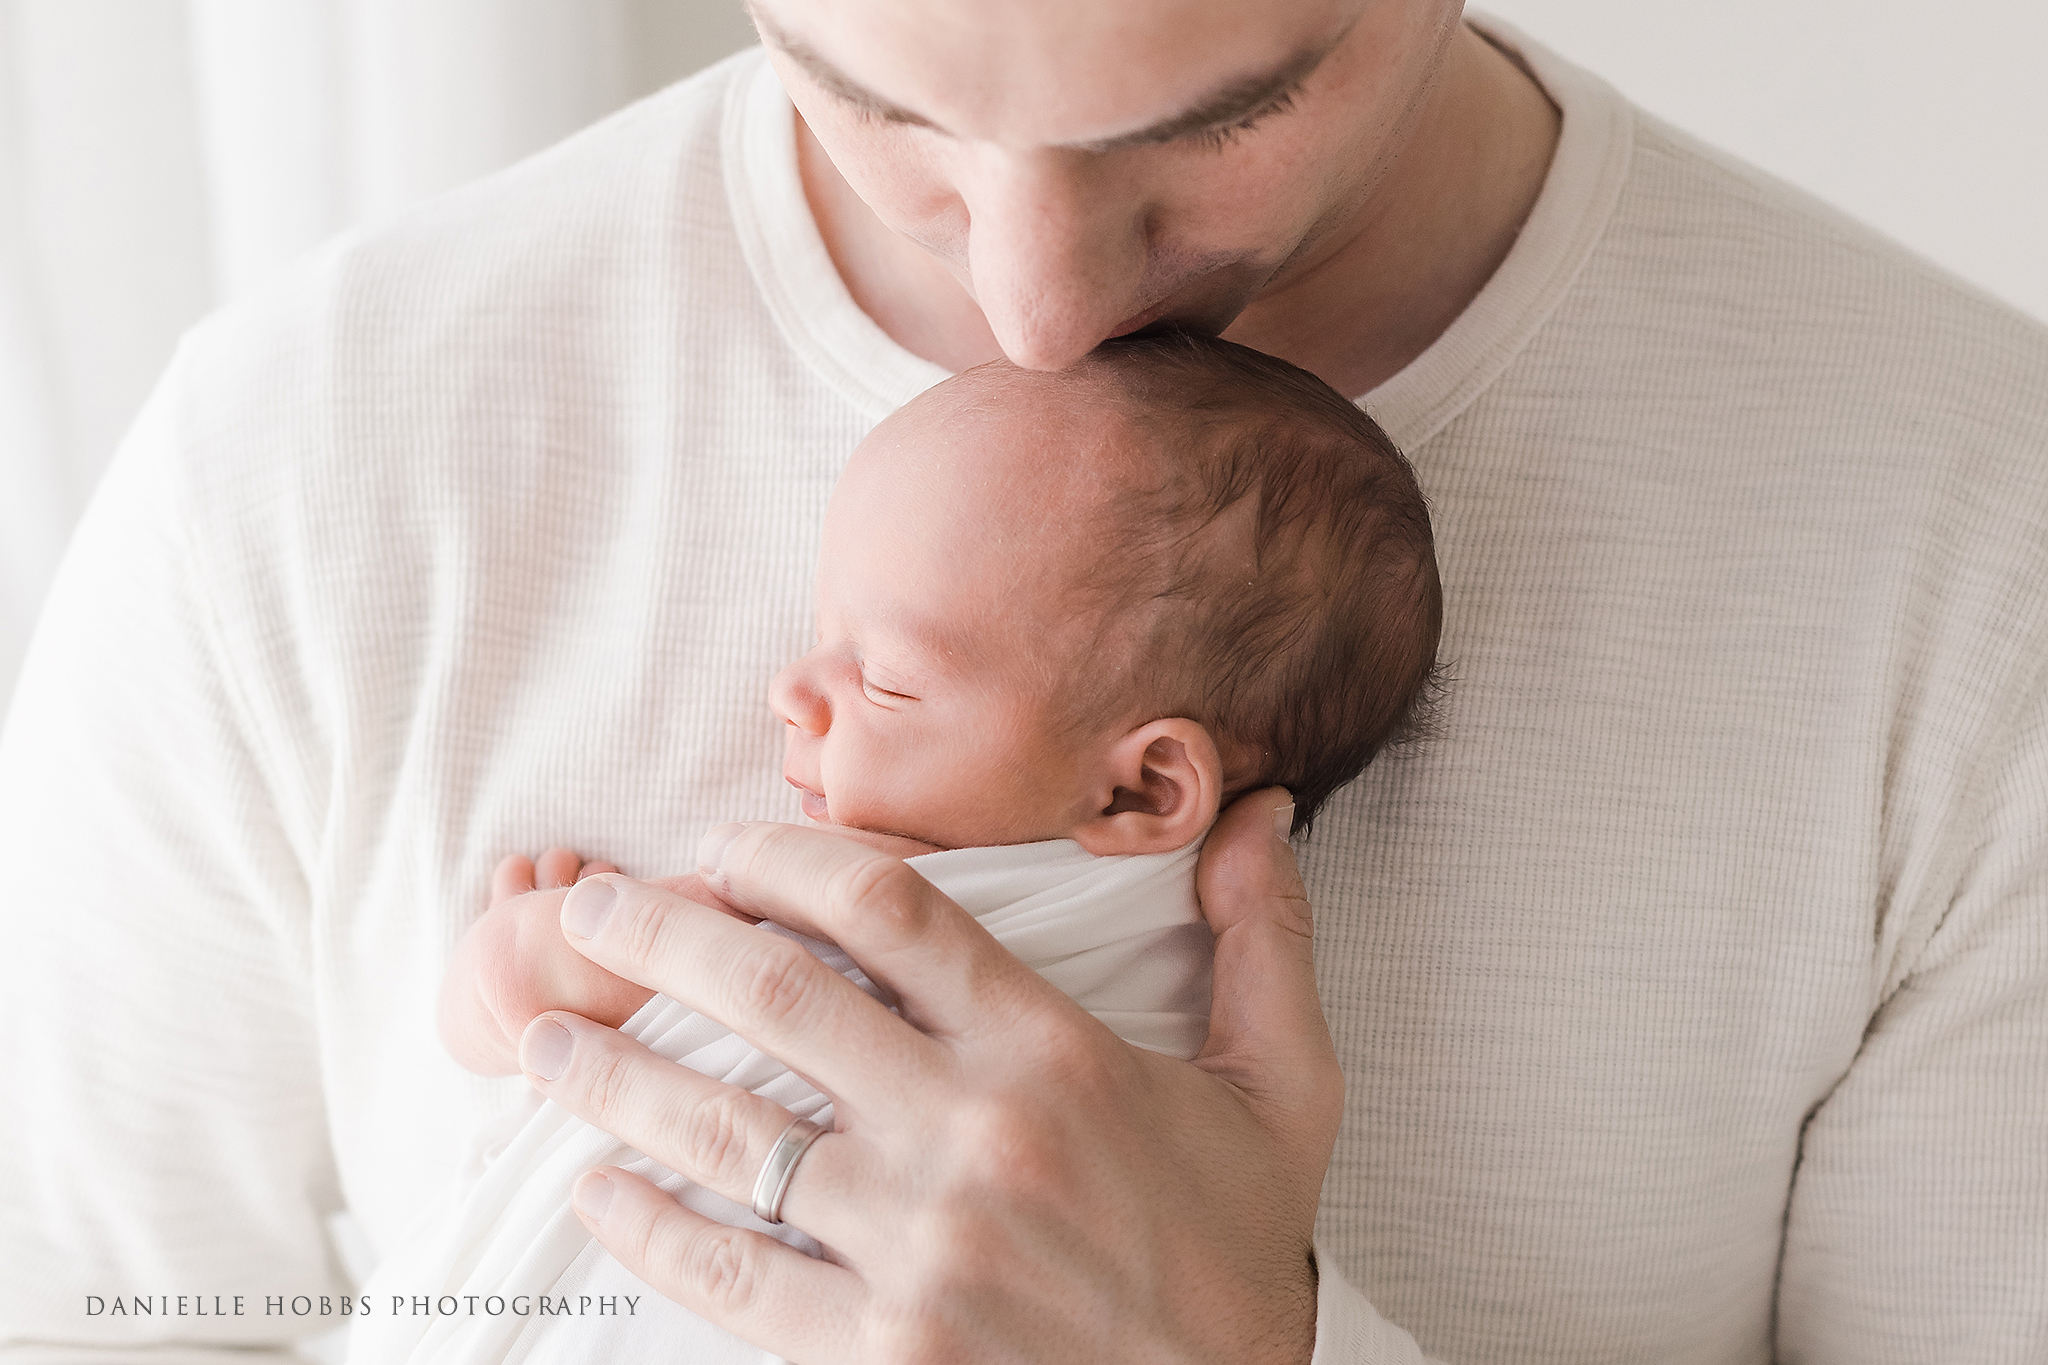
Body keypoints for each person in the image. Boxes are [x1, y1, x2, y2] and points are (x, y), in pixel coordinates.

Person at [0, 0, 2043, 1361]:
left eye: (1225, 110)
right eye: (869, 90)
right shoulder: (300, 447)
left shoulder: (1974, 552)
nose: (1033, 302)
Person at [355, 333, 1439, 1365]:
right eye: (826, 631)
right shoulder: (1183, 979)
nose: (791, 690)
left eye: (881, 680)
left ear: (1140, 788)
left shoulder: (873, 901)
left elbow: (513, 996)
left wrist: (543, 940)